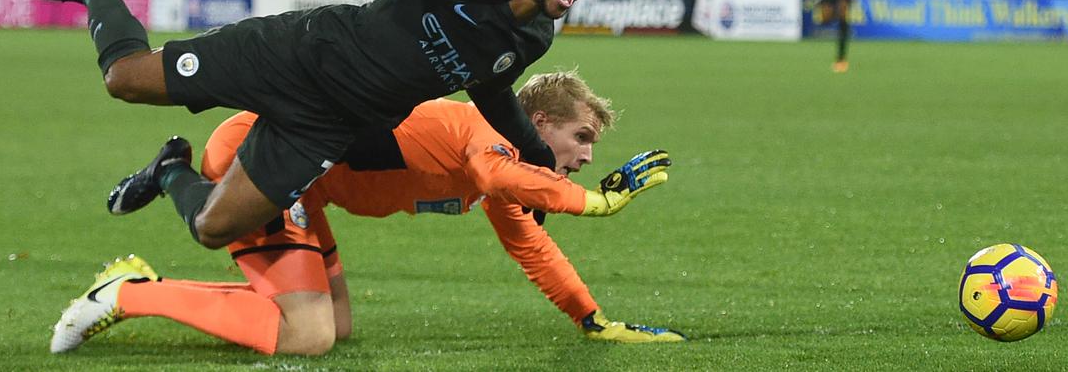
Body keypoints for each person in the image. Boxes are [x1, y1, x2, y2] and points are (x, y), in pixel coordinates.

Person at [17, 0, 599, 251]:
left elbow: (491, 90)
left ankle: (170, 170)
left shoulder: (535, 38)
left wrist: (536, 157)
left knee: (214, 227)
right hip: (302, 55)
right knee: (126, 77)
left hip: (329, 125)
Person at [49, 72, 683, 355]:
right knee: (307, 335)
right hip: (264, 162)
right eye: (580, 140)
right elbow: (493, 172)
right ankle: (128, 293)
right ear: (539, 123)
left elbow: (530, 246)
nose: (585, 156)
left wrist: (591, 319)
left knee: (336, 324)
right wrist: (597, 202)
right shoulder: (483, 131)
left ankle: (166, 193)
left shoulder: (511, 172)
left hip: (306, 186)